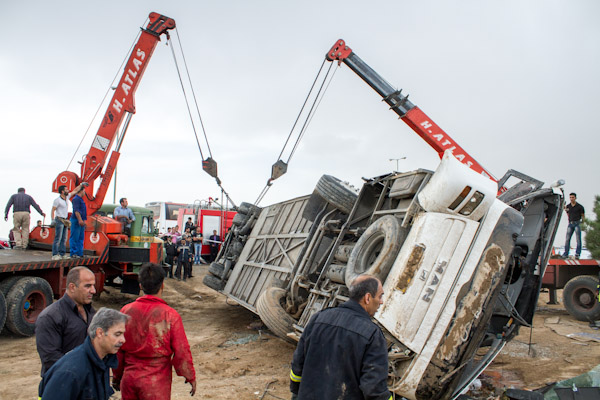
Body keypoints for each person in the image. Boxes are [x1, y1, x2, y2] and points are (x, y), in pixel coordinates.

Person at [290, 275, 392, 400]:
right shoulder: (372, 334)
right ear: (367, 298)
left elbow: (297, 367)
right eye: (380, 296)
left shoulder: (318, 318)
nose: (381, 301)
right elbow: (374, 389)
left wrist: (297, 393)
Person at [112, 263, 196, 399]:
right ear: (162, 285)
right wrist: (190, 376)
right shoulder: (170, 315)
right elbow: (182, 351)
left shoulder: (125, 311)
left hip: (130, 379)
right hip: (156, 384)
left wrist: (117, 376)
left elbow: (117, 350)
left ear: (140, 286)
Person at [38, 307, 129, 400]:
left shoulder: (102, 361)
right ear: (100, 333)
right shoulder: (70, 372)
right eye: (117, 334)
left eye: (123, 334)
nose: (123, 340)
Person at [36, 266, 97, 375]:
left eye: (93, 285)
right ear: (72, 287)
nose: (93, 291)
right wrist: (83, 369)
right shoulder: (50, 316)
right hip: (64, 382)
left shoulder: (91, 312)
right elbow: (51, 358)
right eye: (88, 286)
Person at [562, 192, 585, 259]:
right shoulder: (568, 206)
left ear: (575, 198)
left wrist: (582, 223)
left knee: (578, 239)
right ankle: (566, 253)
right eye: (570, 197)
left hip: (577, 223)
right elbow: (567, 212)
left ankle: (577, 253)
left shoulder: (580, 207)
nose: (571, 199)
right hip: (570, 223)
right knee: (567, 239)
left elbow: (583, 215)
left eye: (573, 197)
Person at [51, 185, 71, 260]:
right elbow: (53, 210)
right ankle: (55, 254)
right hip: (59, 219)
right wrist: (52, 219)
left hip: (65, 220)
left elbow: (75, 191)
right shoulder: (57, 200)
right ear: (62, 191)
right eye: (66, 189)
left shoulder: (67, 198)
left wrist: (81, 185)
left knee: (64, 238)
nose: (68, 190)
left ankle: (62, 254)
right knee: (58, 238)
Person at [69, 183, 89, 258]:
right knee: (75, 237)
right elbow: (76, 211)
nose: (85, 192)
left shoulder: (80, 199)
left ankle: (79, 253)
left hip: (81, 221)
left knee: (80, 238)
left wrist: (83, 221)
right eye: (84, 191)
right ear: (81, 191)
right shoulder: (76, 199)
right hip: (76, 220)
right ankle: (73, 253)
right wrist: (80, 220)